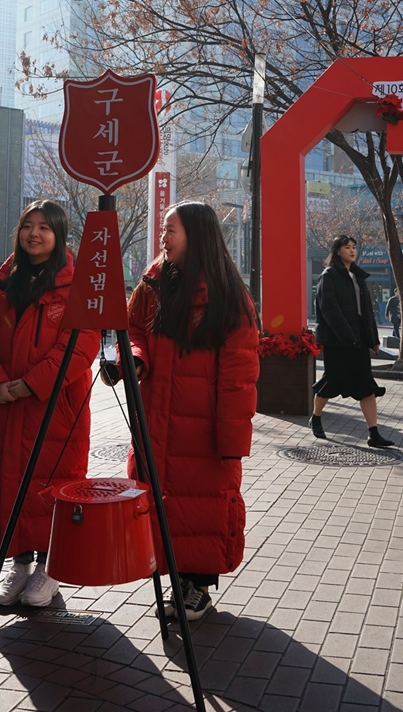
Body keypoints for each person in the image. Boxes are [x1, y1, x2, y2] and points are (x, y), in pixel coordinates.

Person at [122, 202, 259, 621]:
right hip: (158, 417)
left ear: (196, 236)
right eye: (163, 230)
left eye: (171, 230)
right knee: (166, 501)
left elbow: (239, 376)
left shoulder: (229, 298)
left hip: (204, 428)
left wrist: (232, 440)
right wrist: (136, 356)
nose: (163, 238)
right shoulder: (153, 283)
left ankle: (197, 585)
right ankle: (176, 576)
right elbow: (133, 331)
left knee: (203, 505)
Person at [0, 200, 100, 608]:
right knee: (9, 486)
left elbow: (80, 345)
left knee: (50, 489)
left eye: (44, 227)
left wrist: (32, 384)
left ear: (59, 236)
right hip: (5, 406)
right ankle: (19, 566)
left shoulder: (77, 286)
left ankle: (49, 569)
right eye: (28, 225)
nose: (34, 234)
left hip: (54, 408)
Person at [311, 235, 394, 448]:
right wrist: (346, 335)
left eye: (354, 247)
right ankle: (316, 416)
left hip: (358, 339)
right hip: (337, 341)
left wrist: (372, 339)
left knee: (366, 385)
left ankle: (373, 433)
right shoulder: (328, 276)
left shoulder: (357, 277)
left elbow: (366, 312)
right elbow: (330, 310)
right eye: (347, 247)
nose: (352, 250)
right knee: (332, 382)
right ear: (337, 251)